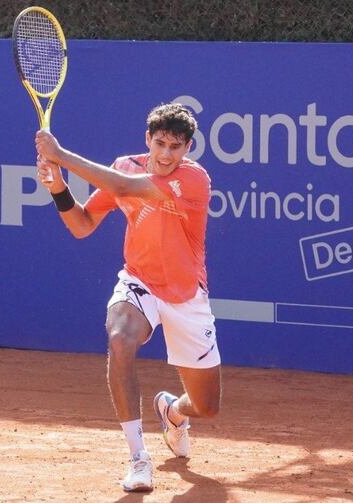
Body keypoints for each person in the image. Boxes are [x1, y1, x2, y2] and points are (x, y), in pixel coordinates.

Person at [34, 103, 221, 493]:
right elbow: (83, 225)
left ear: (188, 148)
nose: (167, 154)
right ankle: (139, 458)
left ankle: (171, 409)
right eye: (160, 143)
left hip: (186, 296)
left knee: (206, 407)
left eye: (176, 146)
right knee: (119, 339)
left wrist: (60, 155)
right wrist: (57, 187)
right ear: (147, 140)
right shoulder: (126, 164)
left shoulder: (194, 179)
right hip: (139, 282)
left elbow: (123, 188)